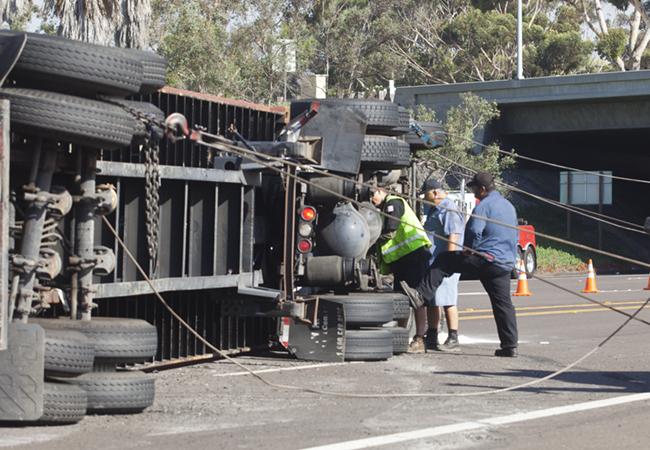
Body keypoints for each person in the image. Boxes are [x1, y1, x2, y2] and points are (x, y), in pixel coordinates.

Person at [400, 172, 520, 357]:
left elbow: (473, 231)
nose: (473, 193)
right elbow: (514, 234)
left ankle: (420, 295)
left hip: (484, 260)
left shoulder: (484, 206)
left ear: (482, 189)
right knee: (503, 304)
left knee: (444, 260)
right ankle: (509, 346)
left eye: (474, 189)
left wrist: (468, 249)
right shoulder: (509, 206)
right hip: (504, 264)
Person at [407, 179, 464, 353]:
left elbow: (453, 235)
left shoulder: (448, 208)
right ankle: (432, 335)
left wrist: (450, 260)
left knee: (448, 300)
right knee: (433, 300)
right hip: (433, 263)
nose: (425, 198)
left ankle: (453, 337)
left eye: (426, 194)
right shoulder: (435, 209)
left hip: (444, 263)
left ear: (435, 192)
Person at [370, 186, 431, 311]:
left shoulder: (393, 203)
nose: (371, 199)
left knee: (415, 297)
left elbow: (389, 232)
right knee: (402, 297)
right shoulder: (383, 209)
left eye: (372, 195)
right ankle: (403, 327)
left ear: (380, 190)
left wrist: (368, 240)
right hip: (403, 258)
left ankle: (420, 331)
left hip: (413, 254)